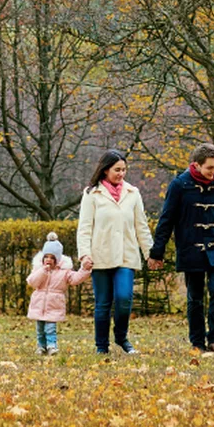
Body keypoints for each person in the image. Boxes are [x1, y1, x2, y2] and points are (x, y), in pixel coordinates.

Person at [147, 143, 214, 354]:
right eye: (209, 167)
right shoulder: (180, 186)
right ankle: (197, 342)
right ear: (196, 165)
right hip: (191, 249)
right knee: (195, 297)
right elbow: (167, 220)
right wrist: (157, 252)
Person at [77, 149, 154, 355]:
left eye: (124, 170)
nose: (121, 174)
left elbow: (141, 226)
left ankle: (121, 338)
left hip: (126, 256)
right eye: (117, 170)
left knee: (124, 298)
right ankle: (101, 346)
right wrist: (84, 254)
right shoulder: (91, 194)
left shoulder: (133, 193)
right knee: (103, 303)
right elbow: (84, 227)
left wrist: (150, 253)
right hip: (100, 256)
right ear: (105, 170)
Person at [26, 232, 91, 355]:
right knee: (40, 328)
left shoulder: (64, 272)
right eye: (47, 257)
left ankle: (52, 346)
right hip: (39, 303)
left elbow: (75, 279)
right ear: (43, 258)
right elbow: (32, 282)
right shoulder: (38, 269)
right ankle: (41, 346)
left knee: (50, 328)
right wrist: (43, 271)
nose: (49, 260)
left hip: (54, 304)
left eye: (52, 258)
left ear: (57, 259)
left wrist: (85, 270)